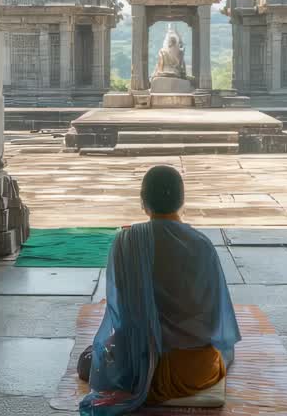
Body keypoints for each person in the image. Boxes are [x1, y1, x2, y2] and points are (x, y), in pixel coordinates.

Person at [78, 165, 240, 415]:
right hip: (192, 372)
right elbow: (216, 321)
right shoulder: (201, 245)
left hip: (136, 369)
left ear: (143, 202)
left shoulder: (126, 242)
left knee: (90, 361)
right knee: (224, 350)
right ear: (182, 200)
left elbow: (121, 313)